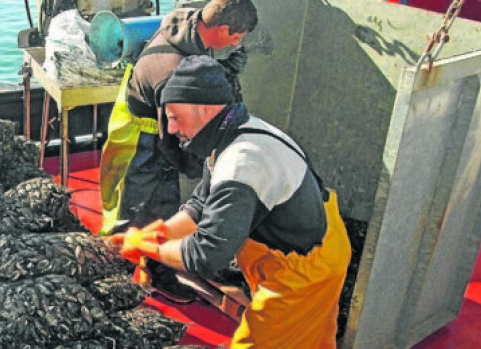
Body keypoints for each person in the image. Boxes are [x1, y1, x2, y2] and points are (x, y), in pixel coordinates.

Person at [108, 56, 352, 348]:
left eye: (174, 116)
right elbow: (200, 205)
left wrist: (150, 248)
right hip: (314, 245)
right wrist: (158, 232)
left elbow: (206, 255)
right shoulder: (231, 132)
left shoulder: (242, 163)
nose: (170, 129)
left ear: (206, 109)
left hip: (302, 272)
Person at [99, 0, 258, 235]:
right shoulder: (172, 75)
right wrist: (201, 168)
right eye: (237, 38)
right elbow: (171, 139)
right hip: (141, 143)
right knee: (133, 219)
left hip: (155, 118)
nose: (238, 44)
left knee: (165, 209)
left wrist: (221, 69)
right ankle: (120, 261)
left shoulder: (187, 23)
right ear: (222, 30)